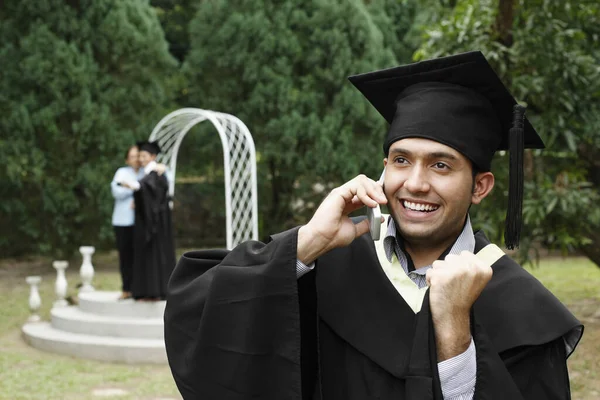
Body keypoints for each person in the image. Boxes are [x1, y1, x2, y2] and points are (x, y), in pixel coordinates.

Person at [163, 51, 583, 399]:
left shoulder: (523, 310)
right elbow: (198, 317)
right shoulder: (330, 267)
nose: (415, 183)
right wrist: (306, 243)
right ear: (384, 168)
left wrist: (456, 328)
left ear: (480, 186)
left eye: (441, 165)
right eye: (401, 160)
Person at [120, 141, 176, 301]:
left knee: (155, 254)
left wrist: (136, 187)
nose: (141, 159)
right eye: (140, 156)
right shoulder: (148, 172)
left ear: (153, 156)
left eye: (144, 156)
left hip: (157, 222)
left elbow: (150, 188)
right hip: (149, 221)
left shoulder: (157, 171)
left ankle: (156, 290)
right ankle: (149, 290)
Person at [110, 145, 144, 300]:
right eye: (132, 156)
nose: (136, 159)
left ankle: (139, 289)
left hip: (141, 222)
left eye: (137, 156)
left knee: (140, 255)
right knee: (125, 255)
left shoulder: (146, 171)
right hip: (122, 221)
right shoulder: (121, 172)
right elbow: (117, 192)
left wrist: (133, 190)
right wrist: (136, 190)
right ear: (127, 159)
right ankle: (126, 288)